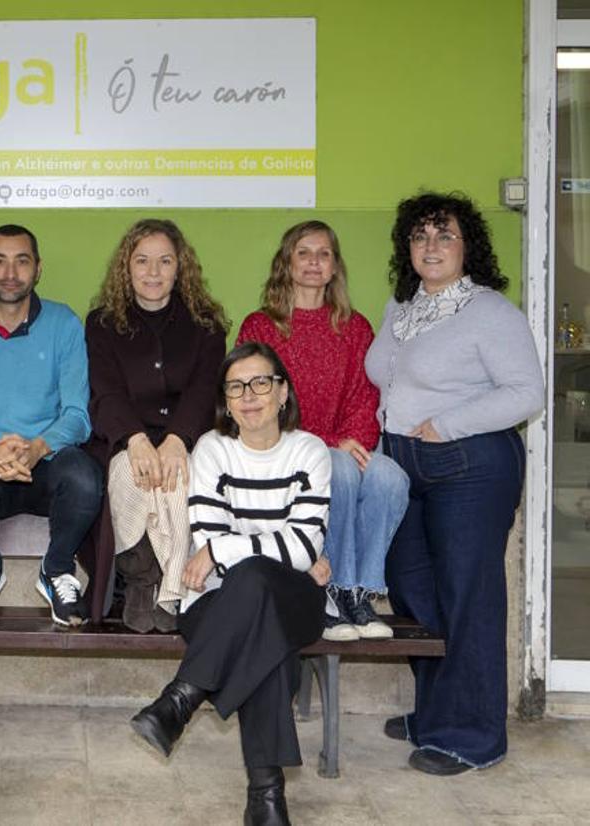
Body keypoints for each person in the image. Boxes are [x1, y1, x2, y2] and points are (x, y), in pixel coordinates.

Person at [367, 192, 543, 775]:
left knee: (469, 593)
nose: (432, 246)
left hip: (470, 466)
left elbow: (526, 393)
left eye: (446, 236)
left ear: (469, 246)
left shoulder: (491, 312)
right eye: (421, 236)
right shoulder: (403, 306)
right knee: (413, 587)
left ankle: (473, 737)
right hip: (404, 466)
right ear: (406, 248)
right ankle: (438, 712)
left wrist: (446, 424)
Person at [130, 342, 330, 826]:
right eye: (236, 386)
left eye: (261, 382)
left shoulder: (310, 451)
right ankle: (266, 799)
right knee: (267, 634)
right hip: (217, 603)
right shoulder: (212, 450)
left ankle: (183, 695)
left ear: (283, 392)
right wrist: (266, 549)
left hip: (292, 598)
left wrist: (224, 550)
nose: (249, 395)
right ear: (225, 399)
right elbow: (248, 540)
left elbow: (302, 545)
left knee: (259, 585)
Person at [238, 220, 409, 641]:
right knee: (342, 469)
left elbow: (365, 397)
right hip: (285, 448)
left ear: (335, 267)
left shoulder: (355, 327)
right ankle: (330, 591)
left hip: (343, 443)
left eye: (324, 254)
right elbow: (253, 401)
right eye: (304, 253)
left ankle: (360, 592)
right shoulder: (261, 326)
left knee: (390, 477)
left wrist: (351, 439)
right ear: (286, 263)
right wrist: (333, 443)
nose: (314, 262)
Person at [0, 224, 102, 627]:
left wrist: (37, 447)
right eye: (0, 260)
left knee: (85, 476)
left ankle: (58, 568)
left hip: (45, 462)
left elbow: (78, 414)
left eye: (21, 261)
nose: (10, 272)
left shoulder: (64, 323)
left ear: (38, 269)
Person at [82, 218, 227, 631]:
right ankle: (142, 577)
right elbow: (105, 390)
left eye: (164, 261)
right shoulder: (102, 323)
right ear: (126, 268)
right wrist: (135, 439)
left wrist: (179, 439)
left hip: (186, 436)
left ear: (180, 267)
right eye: (142, 261)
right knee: (131, 471)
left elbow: (203, 390)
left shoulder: (207, 325)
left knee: (180, 475)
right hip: (123, 435)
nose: (153, 272)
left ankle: (173, 582)